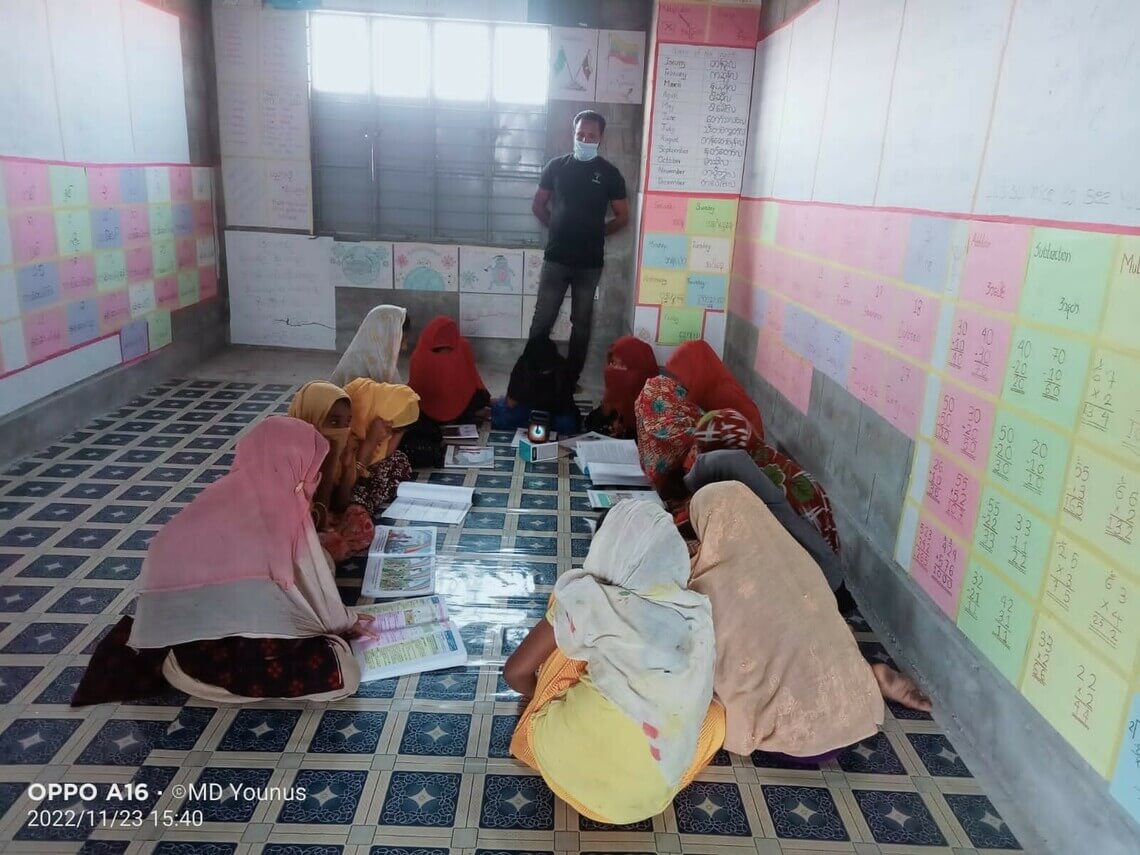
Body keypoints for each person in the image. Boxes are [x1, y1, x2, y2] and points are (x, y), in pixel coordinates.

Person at [71, 418, 377, 706]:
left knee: (319, 566)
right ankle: (192, 676)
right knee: (345, 672)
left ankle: (183, 666)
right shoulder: (279, 514)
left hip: (180, 636)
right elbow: (311, 597)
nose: (314, 481)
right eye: (310, 472)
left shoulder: (220, 500)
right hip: (217, 657)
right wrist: (343, 622)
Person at [504, 501, 724, 825]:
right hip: (639, 806)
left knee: (568, 617)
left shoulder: (586, 599)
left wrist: (540, 695)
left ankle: (538, 732)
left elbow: (515, 673)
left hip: (554, 758)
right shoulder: (697, 614)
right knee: (715, 719)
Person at [687, 482, 930, 759]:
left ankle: (854, 679)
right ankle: (862, 676)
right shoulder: (795, 555)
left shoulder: (709, 581)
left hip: (797, 741)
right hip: (858, 715)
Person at [528, 110, 630, 390]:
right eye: (580, 134)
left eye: (591, 136)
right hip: (556, 259)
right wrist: (556, 228)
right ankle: (531, 374)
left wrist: (598, 232)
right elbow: (538, 205)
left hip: (589, 264)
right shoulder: (556, 167)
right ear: (573, 135)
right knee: (543, 319)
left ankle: (569, 380)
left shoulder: (610, 174)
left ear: (600, 138)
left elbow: (623, 216)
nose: (585, 139)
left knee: (581, 324)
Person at [287, 381, 374, 563]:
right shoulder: (291, 454)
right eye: (334, 422)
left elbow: (339, 504)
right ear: (311, 416)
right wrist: (330, 460)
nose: (342, 430)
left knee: (357, 519)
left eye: (347, 422)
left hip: (320, 514)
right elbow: (317, 522)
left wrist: (346, 467)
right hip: (288, 525)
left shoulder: (342, 445)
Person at [343, 378, 420, 514]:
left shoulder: (376, 410)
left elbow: (386, 452)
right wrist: (371, 441)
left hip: (361, 467)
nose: (389, 435)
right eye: (393, 430)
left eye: (396, 431)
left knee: (398, 459)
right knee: (354, 494)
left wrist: (397, 431)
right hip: (341, 486)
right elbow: (344, 486)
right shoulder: (343, 426)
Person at [666, 340, 763, 434]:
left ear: (694, 370)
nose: (679, 381)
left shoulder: (723, 393)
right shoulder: (704, 387)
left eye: (682, 374)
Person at [491, 337, 581, 437]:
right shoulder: (524, 366)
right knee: (502, 417)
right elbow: (512, 402)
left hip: (553, 412)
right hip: (530, 409)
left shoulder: (561, 369)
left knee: (567, 424)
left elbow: (565, 406)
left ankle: (529, 427)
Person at [408, 316, 490, 424]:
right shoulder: (463, 346)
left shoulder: (419, 353)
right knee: (481, 398)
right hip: (461, 405)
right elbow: (473, 379)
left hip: (425, 411)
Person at [584, 335, 658, 439]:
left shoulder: (659, 411)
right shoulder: (610, 404)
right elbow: (592, 424)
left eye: (622, 366)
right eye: (612, 364)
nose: (611, 370)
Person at [332, 305, 410, 387]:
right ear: (386, 335)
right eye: (401, 338)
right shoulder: (359, 370)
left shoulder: (379, 359)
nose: (404, 347)